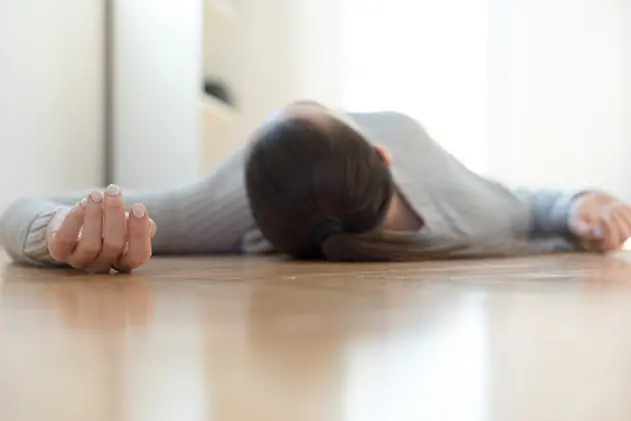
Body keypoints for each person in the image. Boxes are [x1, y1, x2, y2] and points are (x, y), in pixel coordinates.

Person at [1, 101, 630, 273]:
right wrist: (576, 206)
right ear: (379, 151)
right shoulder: (472, 214)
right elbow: (531, 207)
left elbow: (19, 212)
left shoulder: (239, 205)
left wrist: (53, 230)